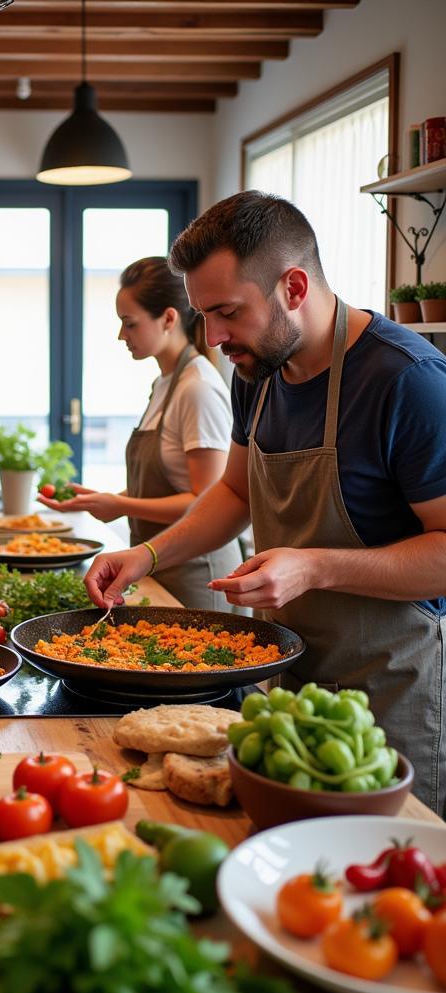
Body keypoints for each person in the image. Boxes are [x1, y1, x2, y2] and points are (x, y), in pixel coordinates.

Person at [84, 191, 446, 812]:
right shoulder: (258, 372)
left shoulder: (408, 382)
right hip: (283, 682)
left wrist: (314, 566)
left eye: (226, 311)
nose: (214, 336)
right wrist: (148, 552)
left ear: (295, 287)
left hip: (387, 695)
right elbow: (233, 491)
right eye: (202, 315)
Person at [37, 256, 240, 609]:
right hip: (163, 565)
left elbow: (205, 501)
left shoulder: (198, 388)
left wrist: (120, 505)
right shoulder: (164, 384)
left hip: (199, 578)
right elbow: (169, 482)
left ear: (168, 319)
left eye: (129, 324)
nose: (121, 335)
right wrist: (107, 500)